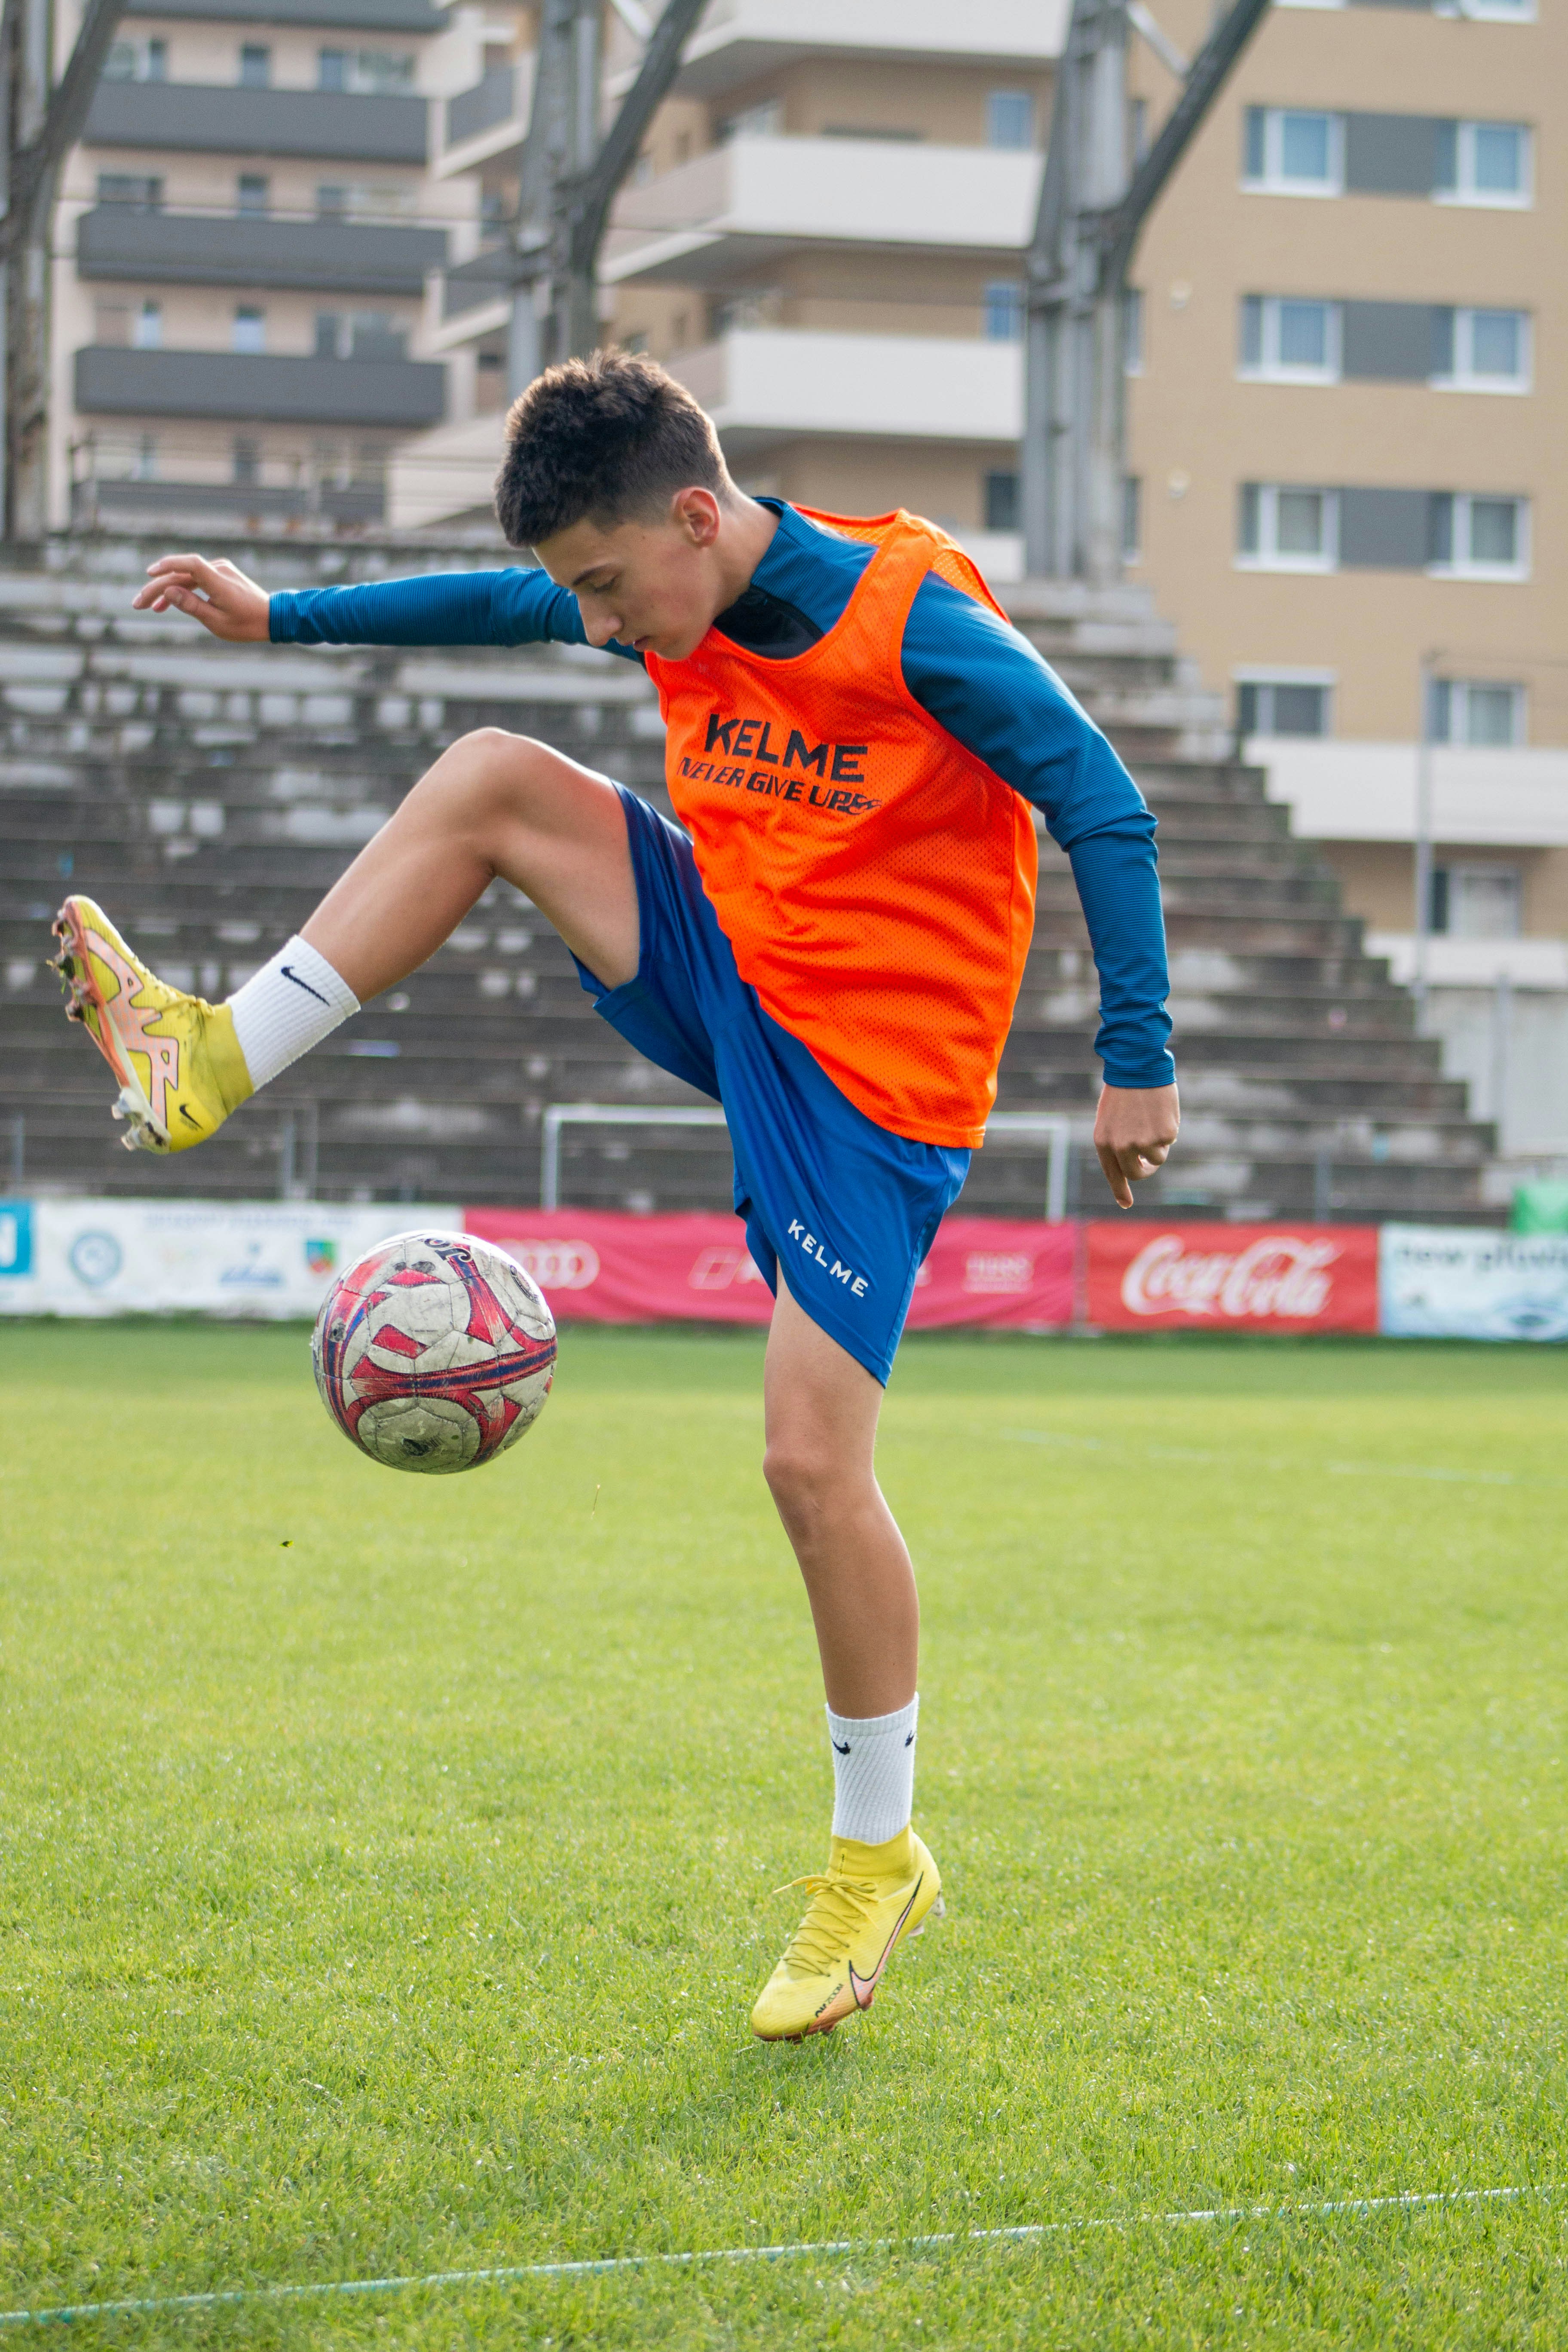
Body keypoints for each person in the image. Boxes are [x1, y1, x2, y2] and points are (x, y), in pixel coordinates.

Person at [53, 351, 1179, 2043]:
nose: (588, 624)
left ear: (699, 519)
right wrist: (281, 619)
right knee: (498, 775)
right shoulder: (649, 581)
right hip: (733, 960)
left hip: (877, 1087)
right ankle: (207, 1060)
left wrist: (1137, 1051)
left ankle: (881, 1863)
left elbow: (1101, 798)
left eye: (602, 585)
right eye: (574, 586)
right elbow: (496, 598)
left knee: (810, 1468)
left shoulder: (910, 610)